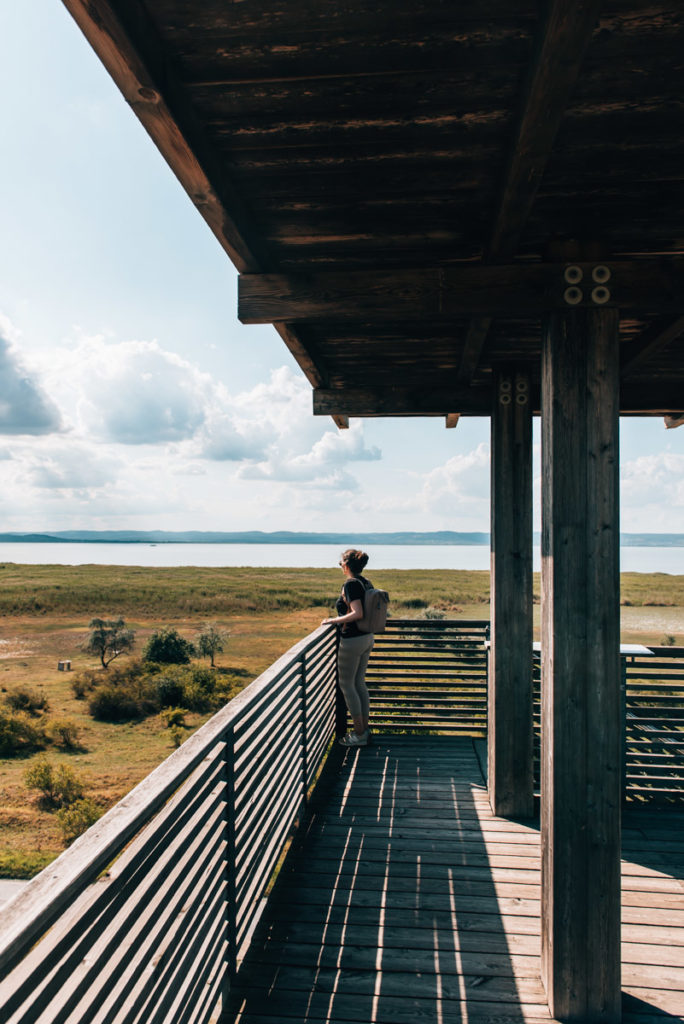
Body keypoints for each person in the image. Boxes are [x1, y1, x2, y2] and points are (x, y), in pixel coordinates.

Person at [321, 548, 374, 747]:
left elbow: (357, 612)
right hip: (367, 637)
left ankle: (359, 734)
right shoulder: (365, 582)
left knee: (347, 685)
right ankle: (364, 730)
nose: (340, 566)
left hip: (352, 640)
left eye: (341, 563)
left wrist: (334, 620)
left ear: (346, 565)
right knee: (359, 683)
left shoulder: (351, 584)